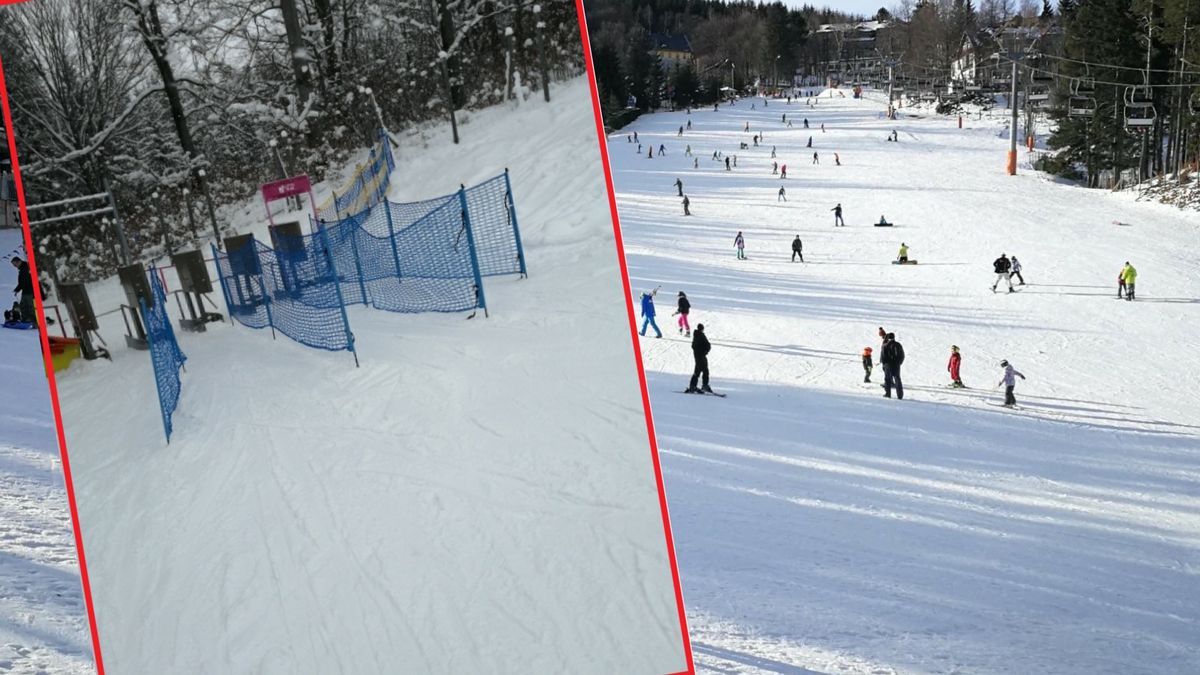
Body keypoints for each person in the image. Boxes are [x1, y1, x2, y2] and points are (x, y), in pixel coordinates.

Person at [686, 323, 713, 393]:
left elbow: (694, 346)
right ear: (702, 328)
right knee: (705, 371)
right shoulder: (701, 335)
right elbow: (707, 345)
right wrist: (704, 352)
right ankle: (704, 385)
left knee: (697, 371)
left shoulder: (696, 335)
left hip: (698, 356)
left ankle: (693, 385)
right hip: (701, 356)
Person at [880, 332, 905, 399]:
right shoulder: (898, 345)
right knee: (897, 379)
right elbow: (902, 355)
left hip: (887, 364)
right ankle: (900, 395)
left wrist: (884, 365)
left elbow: (882, 356)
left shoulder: (885, 345)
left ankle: (888, 393)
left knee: (887, 379)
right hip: (896, 364)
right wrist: (899, 363)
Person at [10, 257, 34, 324]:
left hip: (29, 291)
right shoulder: (22, 269)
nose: (15, 266)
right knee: (23, 306)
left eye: (15, 264)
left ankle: (33, 322)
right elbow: (22, 283)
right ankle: (25, 320)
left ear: (19, 261)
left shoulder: (25, 269)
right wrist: (17, 290)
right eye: (14, 265)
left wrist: (17, 289)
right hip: (25, 291)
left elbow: (24, 281)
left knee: (29, 307)